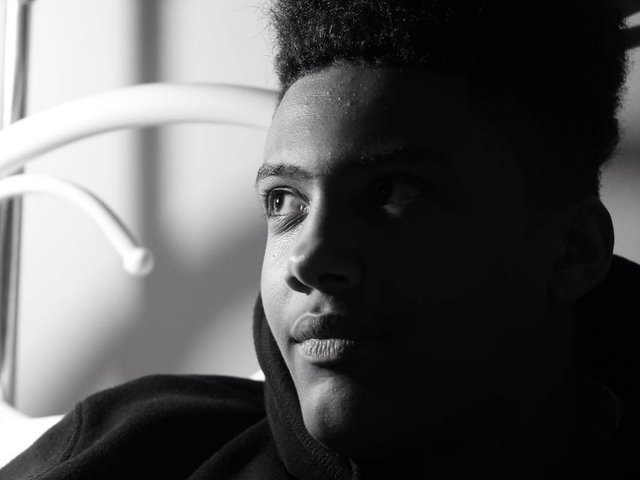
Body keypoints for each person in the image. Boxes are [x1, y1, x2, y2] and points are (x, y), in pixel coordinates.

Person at [2, 0, 638, 478]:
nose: (309, 258)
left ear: (574, 250)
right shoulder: (127, 445)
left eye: (395, 192)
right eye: (284, 202)